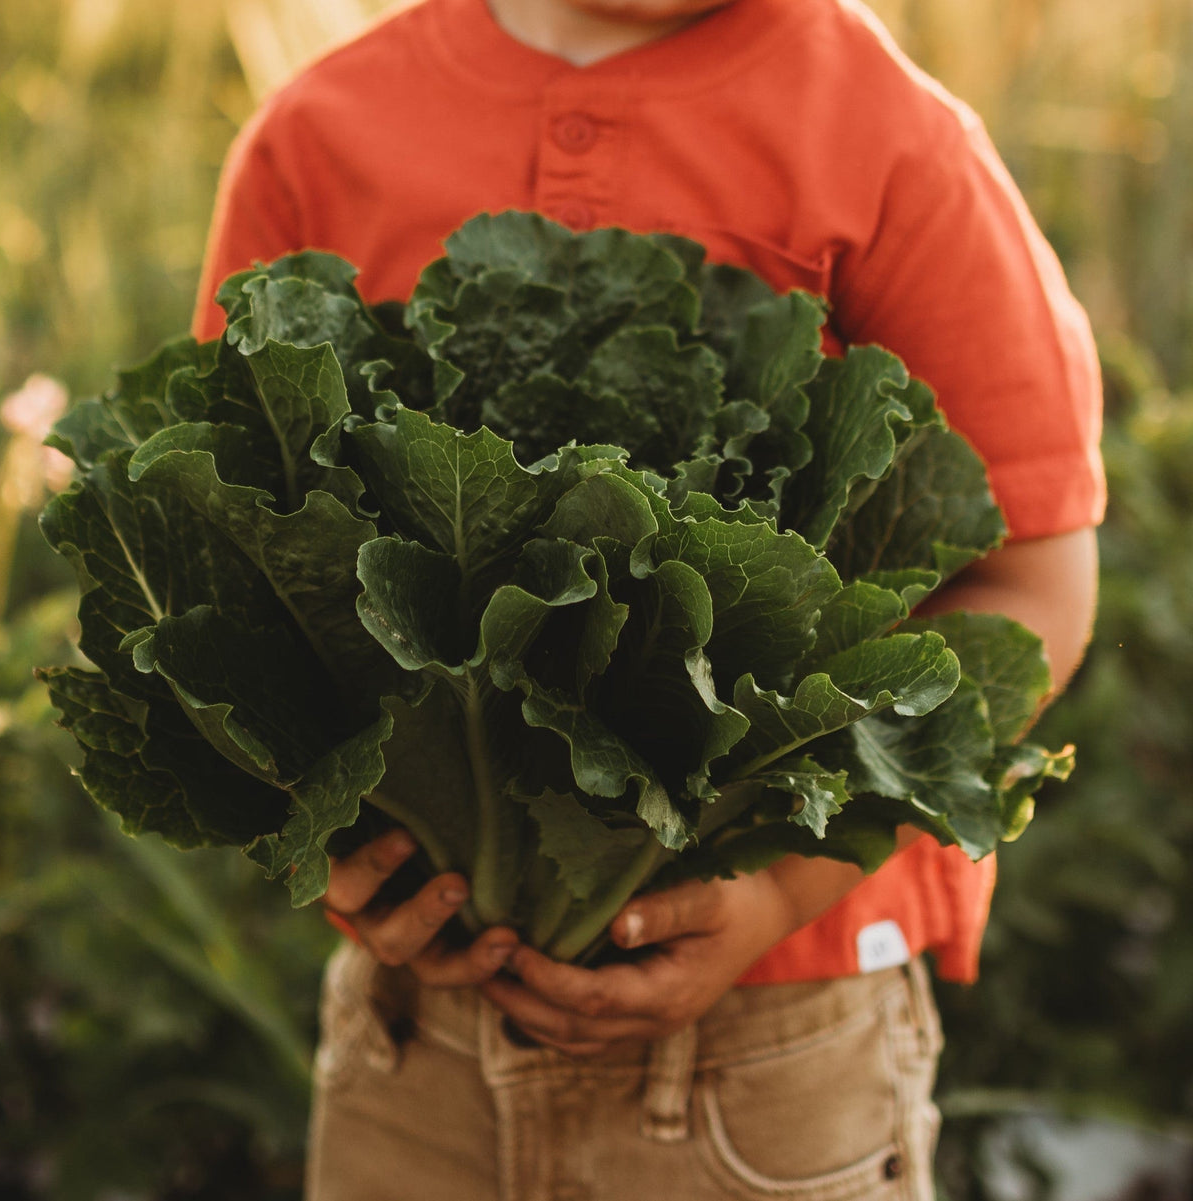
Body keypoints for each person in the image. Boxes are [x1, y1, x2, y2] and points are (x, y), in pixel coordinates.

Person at [193, 0, 1104, 1196]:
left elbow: (1033, 588)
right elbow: (225, 558)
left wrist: (781, 888)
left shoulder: (895, 142)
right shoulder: (321, 135)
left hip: (773, 1046)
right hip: (413, 1051)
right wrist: (337, 851)